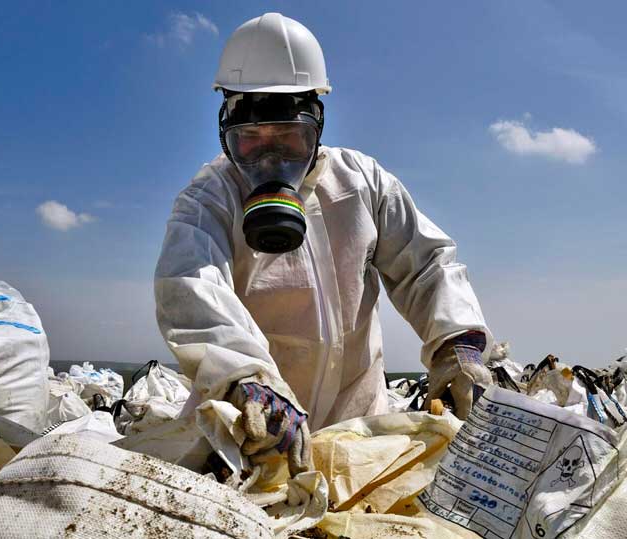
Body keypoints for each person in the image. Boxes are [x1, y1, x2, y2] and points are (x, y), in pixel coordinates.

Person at [154, 13, 492, 475]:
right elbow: (192, 288)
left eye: (290, 139)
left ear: (317, 126)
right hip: (253, 432)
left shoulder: (362, 184)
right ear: (225, 134)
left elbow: (427, 266)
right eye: (250, 141)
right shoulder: (209, 199)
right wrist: (245, 379)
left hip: (359, 435)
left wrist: (458, 343)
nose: (270, 159)